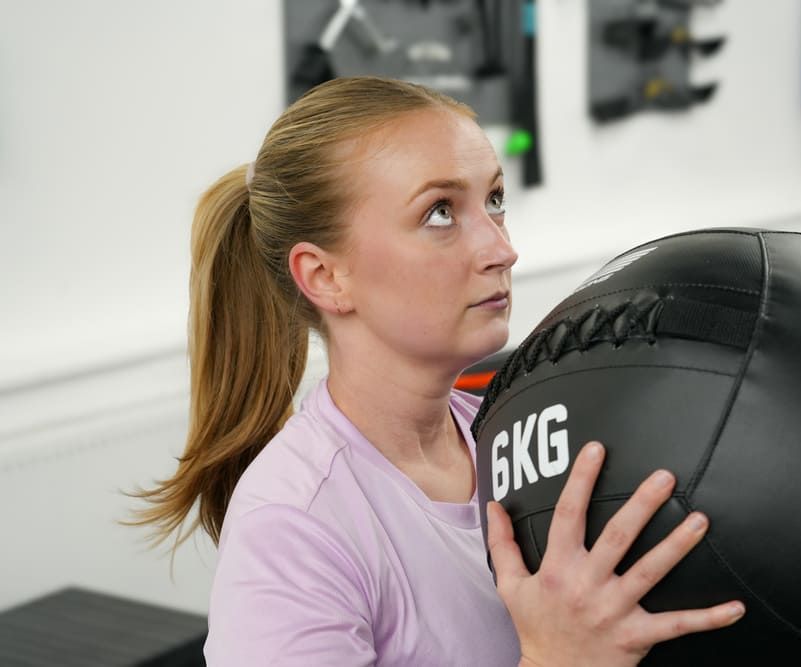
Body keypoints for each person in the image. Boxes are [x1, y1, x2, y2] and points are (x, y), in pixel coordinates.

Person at [132, 76, 744, 666]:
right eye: (440, 213)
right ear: (325, 277)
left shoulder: (507, 433)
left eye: (495, 200)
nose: (502, 249)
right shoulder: (293, 524)